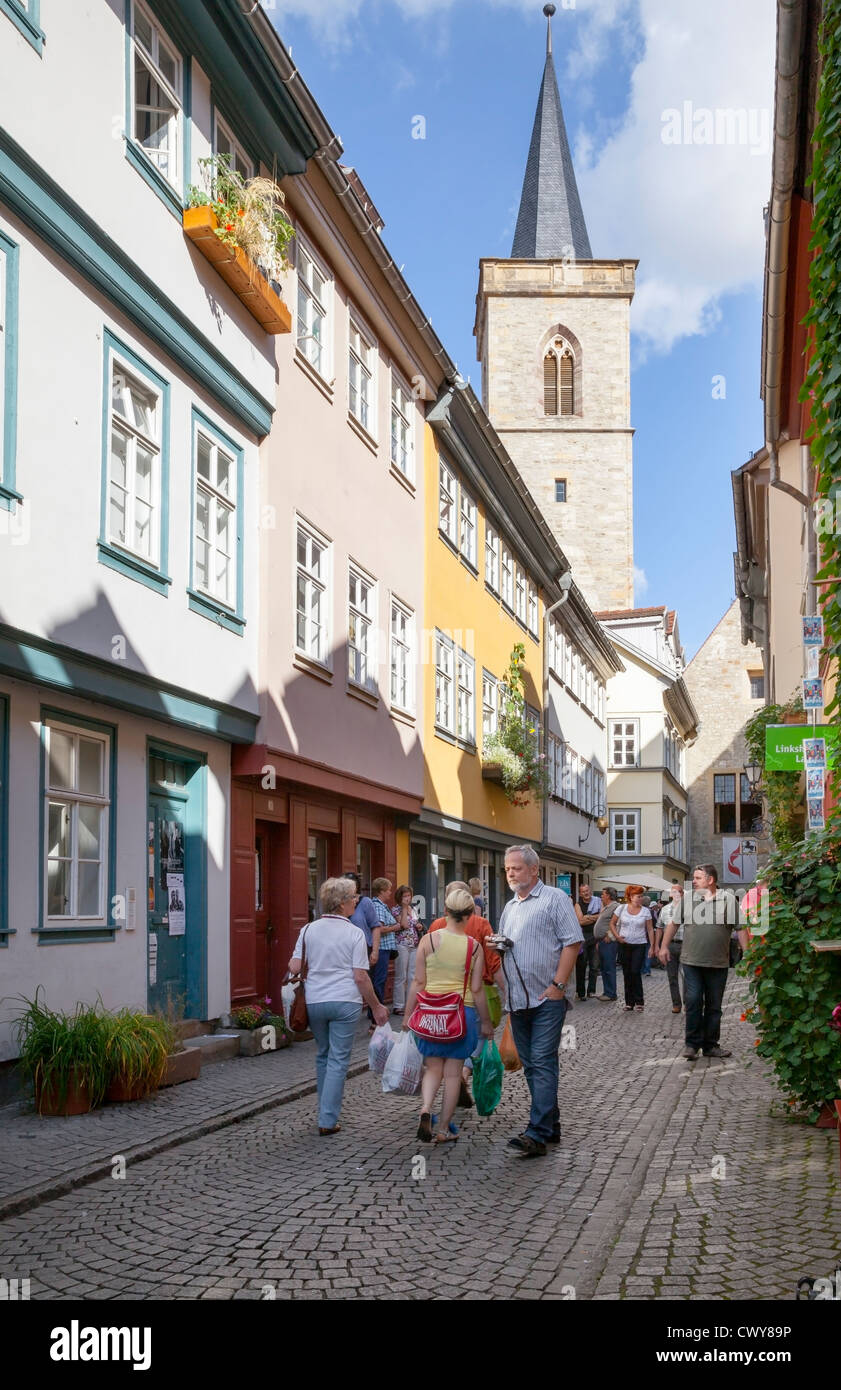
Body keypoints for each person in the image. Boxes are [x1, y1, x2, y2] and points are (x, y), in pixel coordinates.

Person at [494, 845, 583, 1158]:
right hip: (518, 999)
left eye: (516, 868)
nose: (511, 873)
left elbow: (573, 942)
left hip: (546, 997)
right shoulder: (510, 907)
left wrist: (558, 985)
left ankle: (537, 1133)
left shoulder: (554, 899)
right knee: (532, 1064)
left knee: (542, 1061)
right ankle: (551, 1124)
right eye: (507, 869)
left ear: (534, 869)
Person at [288, 876, 388, 1135]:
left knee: (323, 1055)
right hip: (345, 1002)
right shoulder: (354, 933)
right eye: (353, 897)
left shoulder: (308, 930)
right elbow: (360, 976)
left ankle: (325, 1110)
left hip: (315, 1001)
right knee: (339, 1059)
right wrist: (376, 1006)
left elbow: (294, 967)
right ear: (342, 903)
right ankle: (328, 1120)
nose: (356, 900)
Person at [403, 888, 494, 1144]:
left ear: (445, 911)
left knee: (432, 1067)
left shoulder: (428, 940)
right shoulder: (473, 947)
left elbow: (418, 982)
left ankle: (425, 1108)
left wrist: (407, 1016)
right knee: (453, 1074)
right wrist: (486, 1022)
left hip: (430, 1013)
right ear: (469, 915)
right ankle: (443, 1128)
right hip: (460, 1015)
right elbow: (476, 989)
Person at [428, 880, 505, 1107]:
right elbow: (493, 962)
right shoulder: (481, 924)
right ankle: (464, 1071)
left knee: (448, 1037)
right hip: (475, 992)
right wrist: (506, 992)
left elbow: (427, 963)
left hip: (442, 994)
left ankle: (445, 1083)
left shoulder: (436, 925)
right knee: (481, 1035)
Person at [658, 864, 738, 1060]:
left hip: (718, 962)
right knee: (693, 1001)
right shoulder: (688, 899)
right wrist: (663, 946)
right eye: (694, 878)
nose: (693, 881)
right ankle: (692, 1045)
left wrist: (751, 952)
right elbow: (674, 923)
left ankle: (710, 1045)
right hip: (691, 961)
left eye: (698, 878)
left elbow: (741, 928)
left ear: (710, 880)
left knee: (714, 1005)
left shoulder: (728, 899)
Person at [613, 885, 655, 1011]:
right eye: (638, 896)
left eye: (642, 896)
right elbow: (612, 923)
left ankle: (639, 1001)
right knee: (627, 973)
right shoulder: (621, 908)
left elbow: (650, 929)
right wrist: (617, 937)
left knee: (635, 971)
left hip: (639, 944)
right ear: (631, 897)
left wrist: (652, 946)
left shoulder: (645, 911)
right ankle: (629, 1002)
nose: (640, 899)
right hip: (624, 944)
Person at [368, 877, 398, 1017]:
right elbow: (379, 928)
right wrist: (395, 927)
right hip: (381, 948)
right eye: (388, 890)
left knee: (378, 979)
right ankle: (376, 1010)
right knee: (379, 980)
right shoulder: (378, 906)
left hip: (382, 948)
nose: (390, 893)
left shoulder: (379, 905)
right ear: (381, 891)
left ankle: (374, 1009)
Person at [392, 884, 422, 1015]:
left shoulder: (413, 909)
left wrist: (419, 925)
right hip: (402, 944)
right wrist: (404, 909)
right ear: (400, 897)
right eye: (404, 896)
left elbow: (415, 924)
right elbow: (403, 924)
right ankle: (398, 1005)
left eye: (409, 895)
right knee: (401, 976)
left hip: (414, 945)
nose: (407, 898)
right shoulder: (396, 910)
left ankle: (411, 1003)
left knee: (412, 976)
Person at [659, 886, 684, 1013]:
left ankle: (688, 1003)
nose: (676, 894)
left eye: (679, 891)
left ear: (682, 893)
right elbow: (659, 927)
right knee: (672, 976)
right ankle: (676, 1004)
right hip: (670, 945)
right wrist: (658, 946)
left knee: (687, 977)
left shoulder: (689, 909)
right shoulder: (664, 909)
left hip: (686, 945)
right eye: (674, 892)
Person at [593, 886, 620, 1001]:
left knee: (609, 967)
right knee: (604, 968)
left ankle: (611, 993)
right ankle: (607, 991)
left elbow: (618, 923)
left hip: (609, 941)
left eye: (603, 894)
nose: (601, 896)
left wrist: (610, 935)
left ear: (608, 895)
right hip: (602, 941)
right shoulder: (606, 907)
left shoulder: (616, 907)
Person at [574, 883, 600, 999]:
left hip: (595, 936)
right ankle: (581, 993)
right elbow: (580, 921)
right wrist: (595, 916)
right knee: (581, 965)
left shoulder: (598, 901)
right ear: (580, 893)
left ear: (590, 890)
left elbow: (602, 915)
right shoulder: (578, 905)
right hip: (583, 937)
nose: (586, 893)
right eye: (584, 891)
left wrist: (587, 917)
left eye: (587, 890)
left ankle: (591, 991)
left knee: (594, 966)